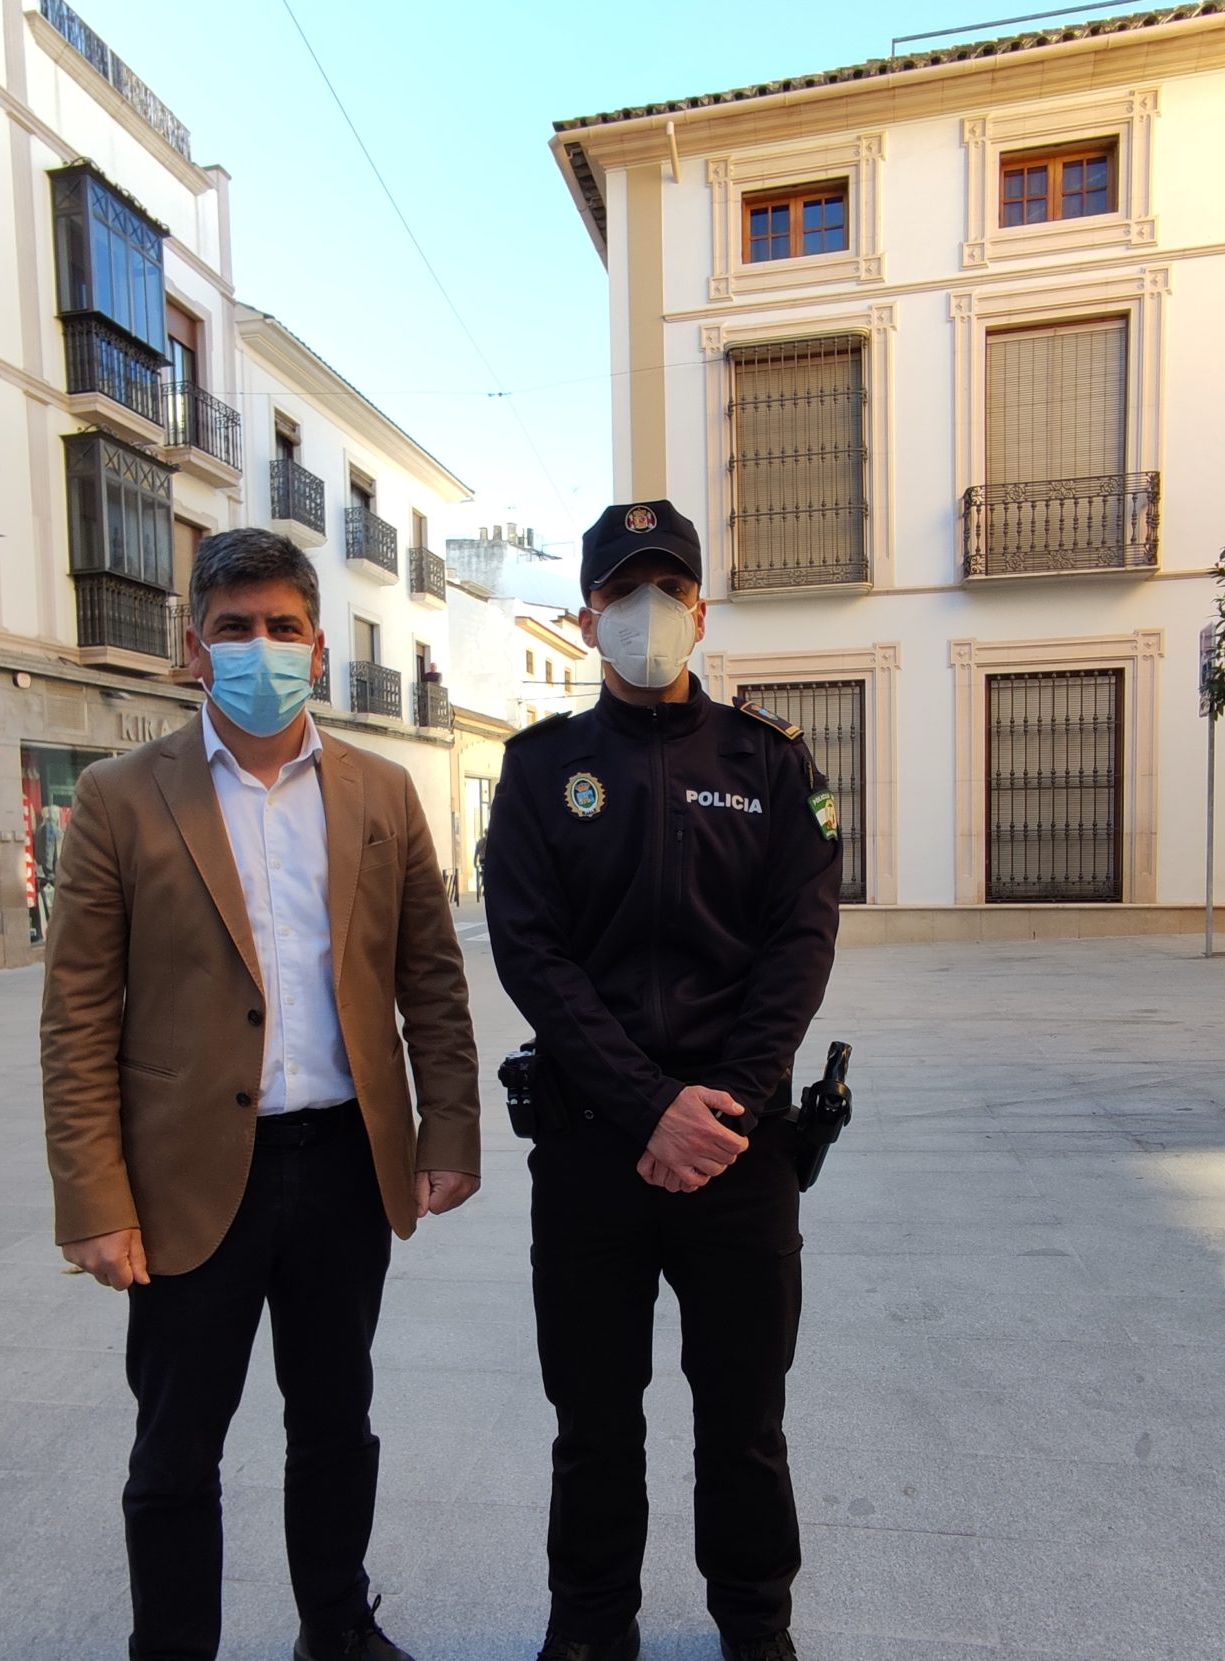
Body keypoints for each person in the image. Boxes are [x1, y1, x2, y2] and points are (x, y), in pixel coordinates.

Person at [40, 527, 482, 1661]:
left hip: (343, 1162)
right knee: (176, 1446)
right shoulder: (120, 797)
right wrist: (93, 1197)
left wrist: (450, 1128)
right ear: (194, 649)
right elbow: (78, 1013)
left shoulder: (382, 793)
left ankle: (335, 1624)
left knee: (335, 1421)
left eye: (282, 626)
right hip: (189, 1180)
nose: (259, 648)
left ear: (318, 651)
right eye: (234, 628)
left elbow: (429, 976)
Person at [483, 500, 842, 1661]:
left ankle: (755, 1624)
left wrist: (719, 1106)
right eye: (622, 591)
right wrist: (648, 1106)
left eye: (667, 589)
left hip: (737, 1154)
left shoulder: (767, 762)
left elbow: (800, 939)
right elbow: (530, 949)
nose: (647, 612)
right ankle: (591, 1625)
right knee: (592, 1421)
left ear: (699, 606)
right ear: (588, 616)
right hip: (594, 1147)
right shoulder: (541, 771)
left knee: (745, 1417)